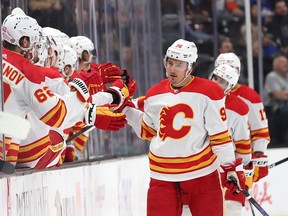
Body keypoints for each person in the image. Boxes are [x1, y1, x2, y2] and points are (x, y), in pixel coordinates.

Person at [122, 39, 245, 216]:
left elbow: (219, 136)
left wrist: (229, 167)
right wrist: (125, 110)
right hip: (162, 175)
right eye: (170, 62)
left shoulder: (209, 91)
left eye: (179, 64)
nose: (172, 69)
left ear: (191, 66)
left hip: (201, 175)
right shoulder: (155, 93)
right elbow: (147, 131)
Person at [1, 9, 128, 166]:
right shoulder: (29, 72)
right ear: (24, 42)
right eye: (37, 43)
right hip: (8, 159)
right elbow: (57, 114)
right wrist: (89, 92)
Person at [215, 52, 271, 183]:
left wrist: (259, 156)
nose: (225, 73)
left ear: (238, 71)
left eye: (230, 68)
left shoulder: (248, 96)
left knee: (233, 203)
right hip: (210, 161)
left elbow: (260, 130)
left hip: (238, 159)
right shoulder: (207, 94)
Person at [210, 64, 252, 216]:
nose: (216, 83)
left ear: (230, 87)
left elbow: (243, 144)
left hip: (226, 169)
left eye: (222, 81)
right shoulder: (196, 97)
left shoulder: (238, 108)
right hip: (197, 167)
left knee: (232, 207)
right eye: (215, 78)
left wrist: (244, 171)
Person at [263, 55, 288, 145]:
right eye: (282, 62)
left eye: (286, 62)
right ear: (275, 65)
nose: (286, 64)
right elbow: (277, 95)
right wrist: (282, 94)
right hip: (274, 108)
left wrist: (284, 93)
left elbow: (283, 94)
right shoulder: (272, 76)